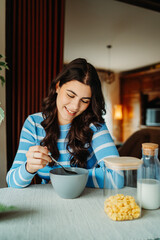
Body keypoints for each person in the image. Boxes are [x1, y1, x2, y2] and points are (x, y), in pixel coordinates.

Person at [6, 58, 124, 188]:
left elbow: (117, 177)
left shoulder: (95, 125)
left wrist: (63, 179)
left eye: (84, 101)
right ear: (58, 87)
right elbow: (12, 182)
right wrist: (28, 168)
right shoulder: (33, 124)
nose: (74, 106)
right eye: (70, 95)